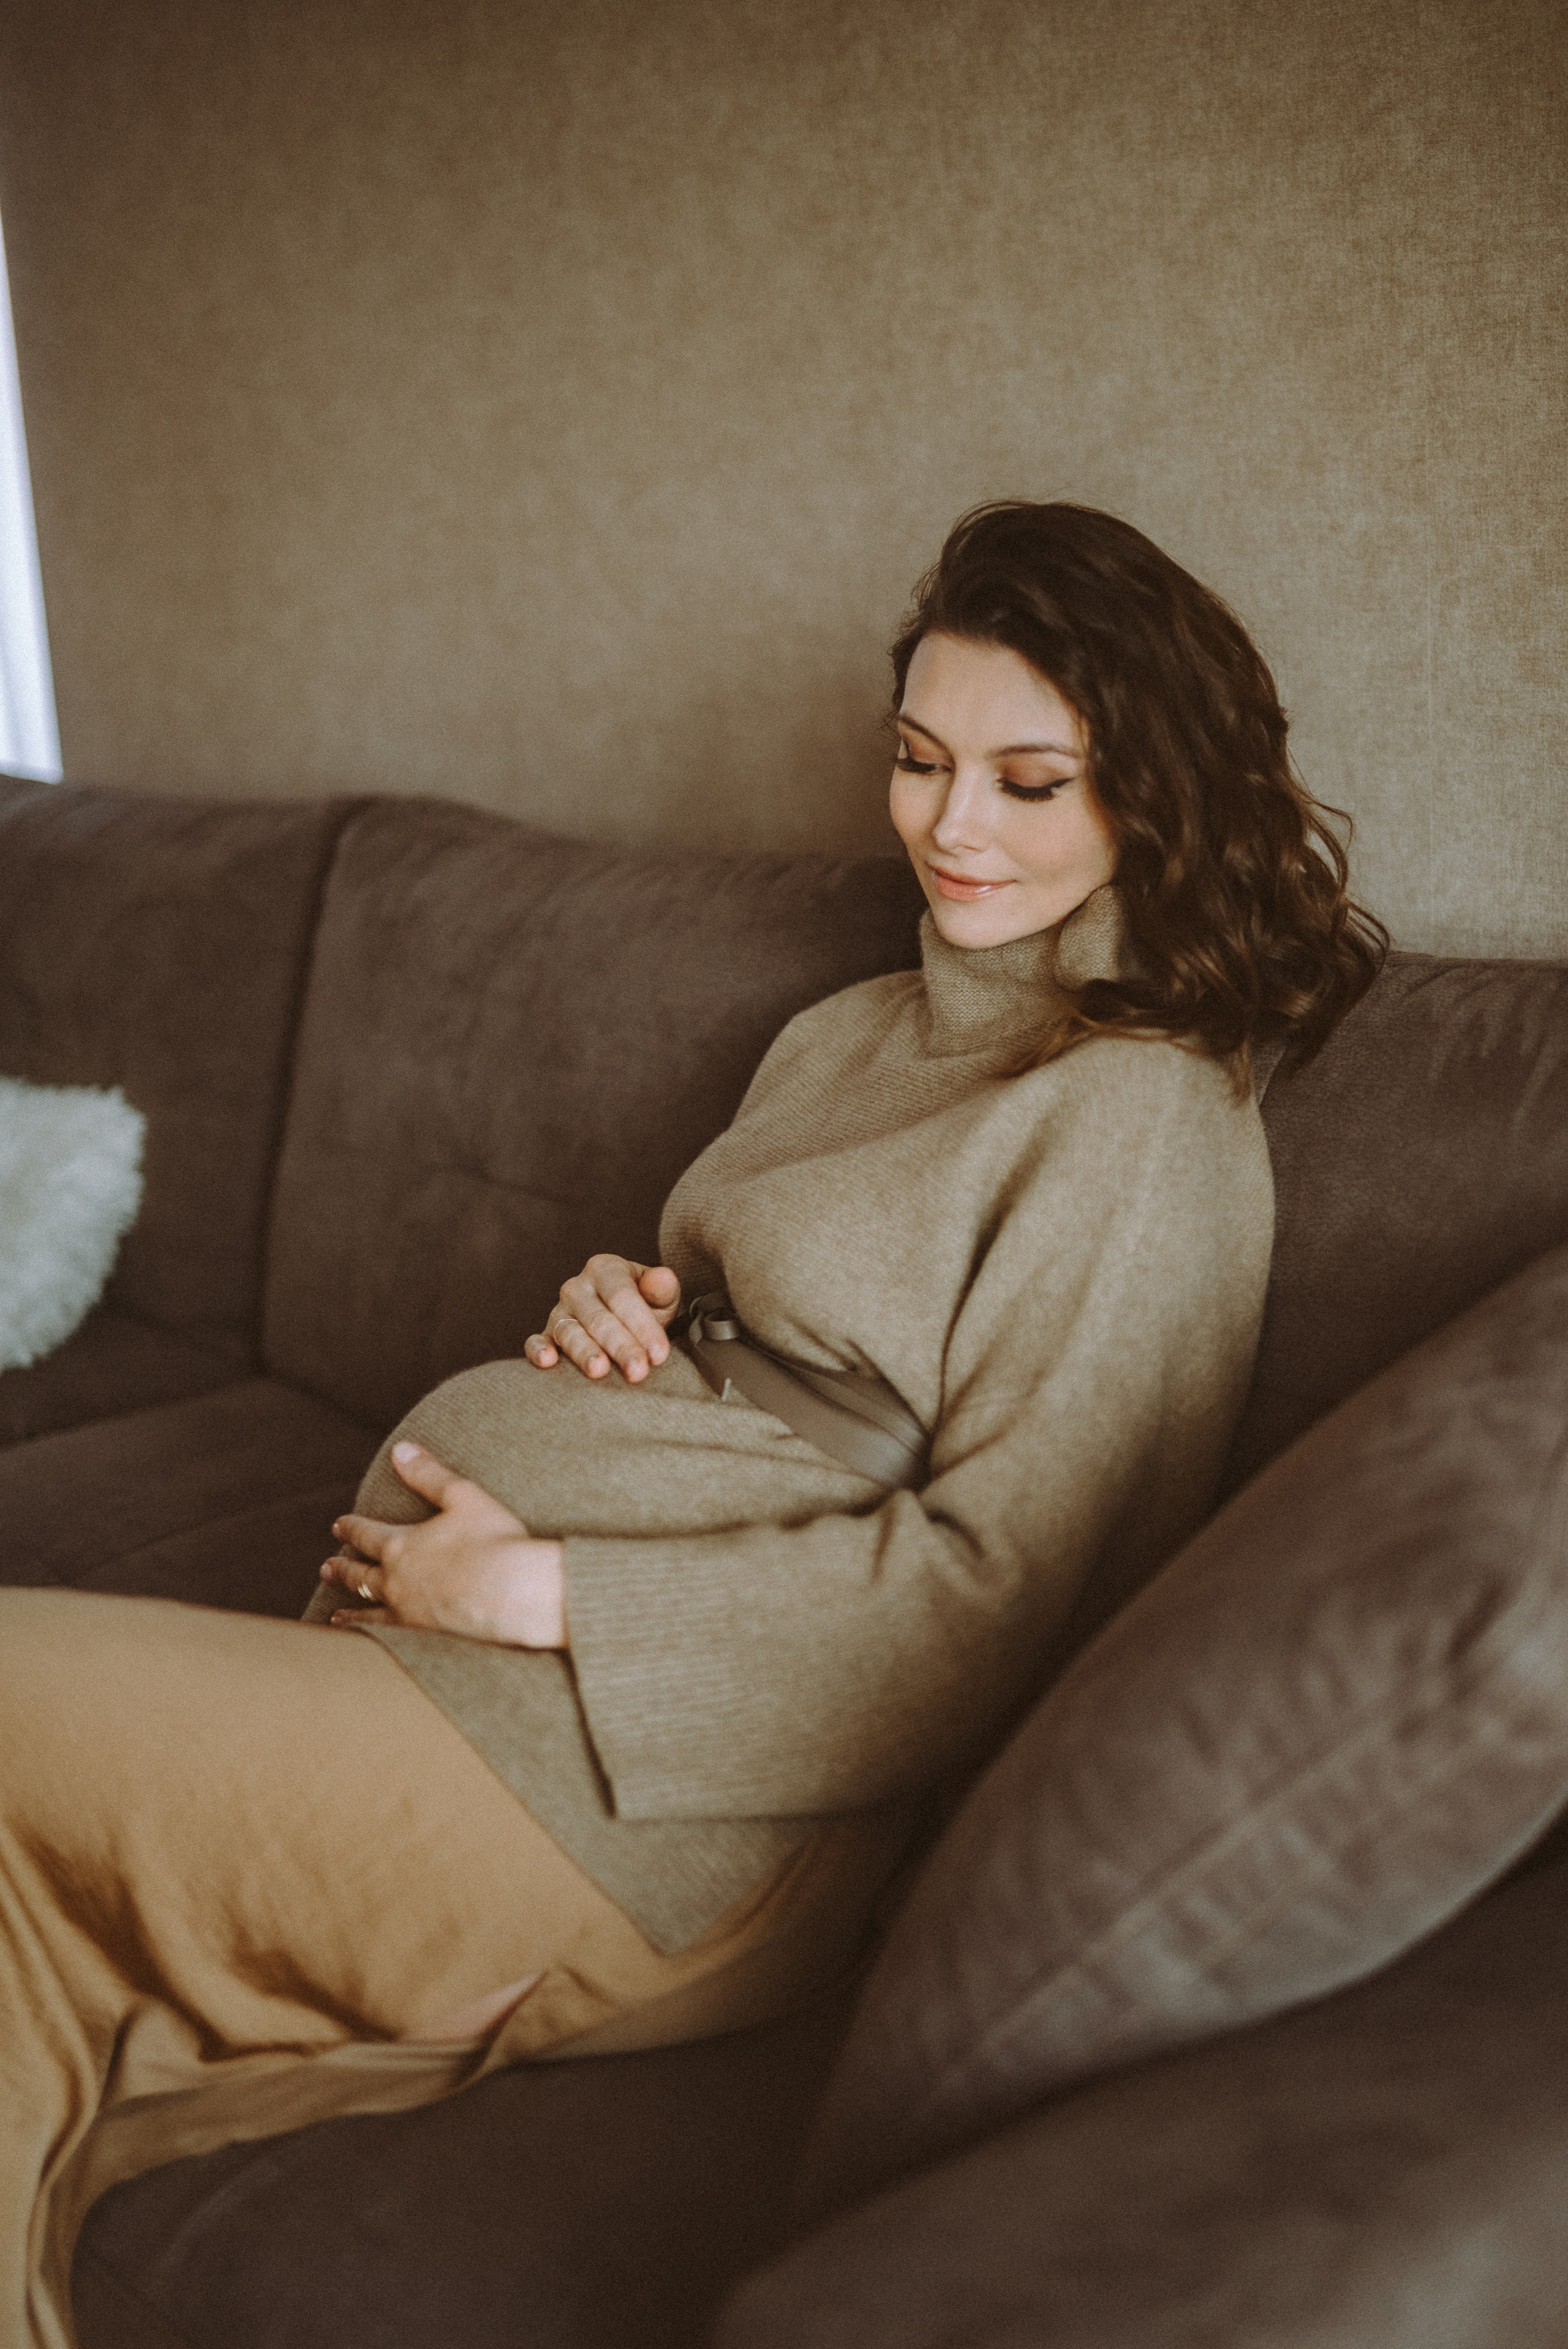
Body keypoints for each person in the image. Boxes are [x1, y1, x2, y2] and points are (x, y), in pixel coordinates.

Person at [0, 501, 1383, 2349]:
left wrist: (551, 1592)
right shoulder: (847, 1031)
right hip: (480, 1696)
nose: (954, 825)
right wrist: (628, 1311)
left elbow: (1008, 1598)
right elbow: (770, 1347)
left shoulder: (1142, 1127)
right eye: (920, 760)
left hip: (665, 1808)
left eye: (1032, 781)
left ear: (1154, 799)